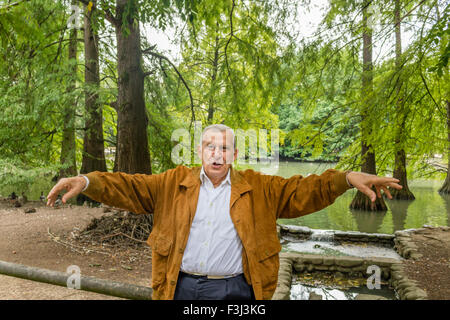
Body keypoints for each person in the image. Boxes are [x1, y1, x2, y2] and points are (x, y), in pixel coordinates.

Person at [46, 124, 402, 300]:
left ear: (234, 154)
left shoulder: (259, 187)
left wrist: (346, 178)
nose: (217, 154)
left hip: (236, 291)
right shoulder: (172, 183)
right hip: (180, 287)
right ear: (200, 151)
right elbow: (129, 186)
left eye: (225, 148)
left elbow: (303, 190)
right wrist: (88, 181)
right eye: (210, 147)